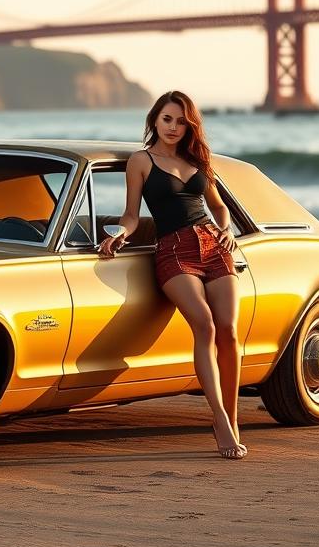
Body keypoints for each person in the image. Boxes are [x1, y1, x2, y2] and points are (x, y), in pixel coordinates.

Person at [98, 90, 246, 460]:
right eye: (167, 119)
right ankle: (219, 421)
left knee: (228, 330)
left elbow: (218, 207)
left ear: (189, 125)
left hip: (214, 246)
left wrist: (226, 230)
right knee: (206, 325)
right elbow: (131, 214)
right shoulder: (141, 161)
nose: (174, 127)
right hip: (174, 251)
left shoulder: (198, 159)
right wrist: (120, 233)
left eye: (181, 121)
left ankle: (232, 418)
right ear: (154, 120)